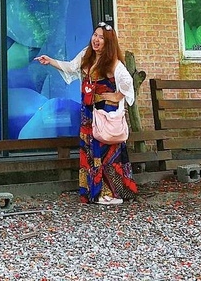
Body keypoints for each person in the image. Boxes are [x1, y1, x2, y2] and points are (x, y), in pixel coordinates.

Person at [36, 23, 138, 205]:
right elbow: (70, 67)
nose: (96, 40)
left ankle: (110, 193)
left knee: (106, 150)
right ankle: (94, 192)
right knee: (90, 150)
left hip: (104, 113)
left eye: (101, 38)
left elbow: (127, 81)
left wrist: (117, 95)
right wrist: (50, 61)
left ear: (108, 43)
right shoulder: (86, 55)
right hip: (88, 113)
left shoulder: (113, 62)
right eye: (95, 35)